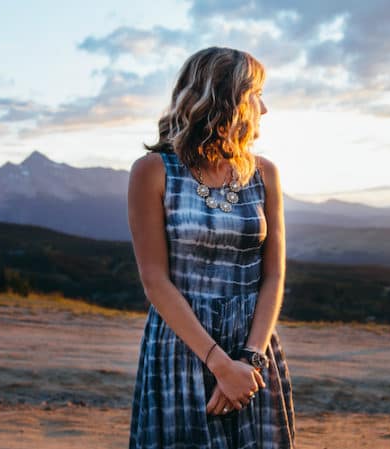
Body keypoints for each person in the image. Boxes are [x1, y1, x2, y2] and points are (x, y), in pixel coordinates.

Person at [126, 46, 296, 448]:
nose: (264, 108)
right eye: (255, 94)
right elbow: (155, 280)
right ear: (224, 99)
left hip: (252, 349)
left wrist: (248, 361)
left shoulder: (264, 173)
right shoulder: (152, 171)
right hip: (183, 347)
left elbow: (274, 276)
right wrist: (219, 363)